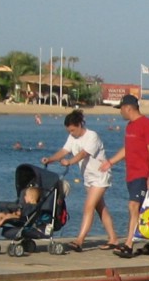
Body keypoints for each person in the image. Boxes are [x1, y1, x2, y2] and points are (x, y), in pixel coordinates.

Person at [43, 108, 119, 252]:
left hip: (100, 175)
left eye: (73, 130)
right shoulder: (72, 138)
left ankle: (79, 240)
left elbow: (84, 154)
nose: (71, 133)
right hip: (88, 178)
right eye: (69, 131)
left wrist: (69, 162)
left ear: (79, 125)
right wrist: (50, 159)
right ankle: (113, 238)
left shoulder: (92, 136)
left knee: (88, 207)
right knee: (100, 208)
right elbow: (64, 151)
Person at [100, 94, 149, 257]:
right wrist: (110, 162)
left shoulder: (147, 125)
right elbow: (127, 149)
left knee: (133, 206)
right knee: (140, 209)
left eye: (121, 109)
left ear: (128, 108)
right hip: (131, 174)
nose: (120, 112)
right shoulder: (130, 126)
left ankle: (128, 244)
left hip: (142, 173)